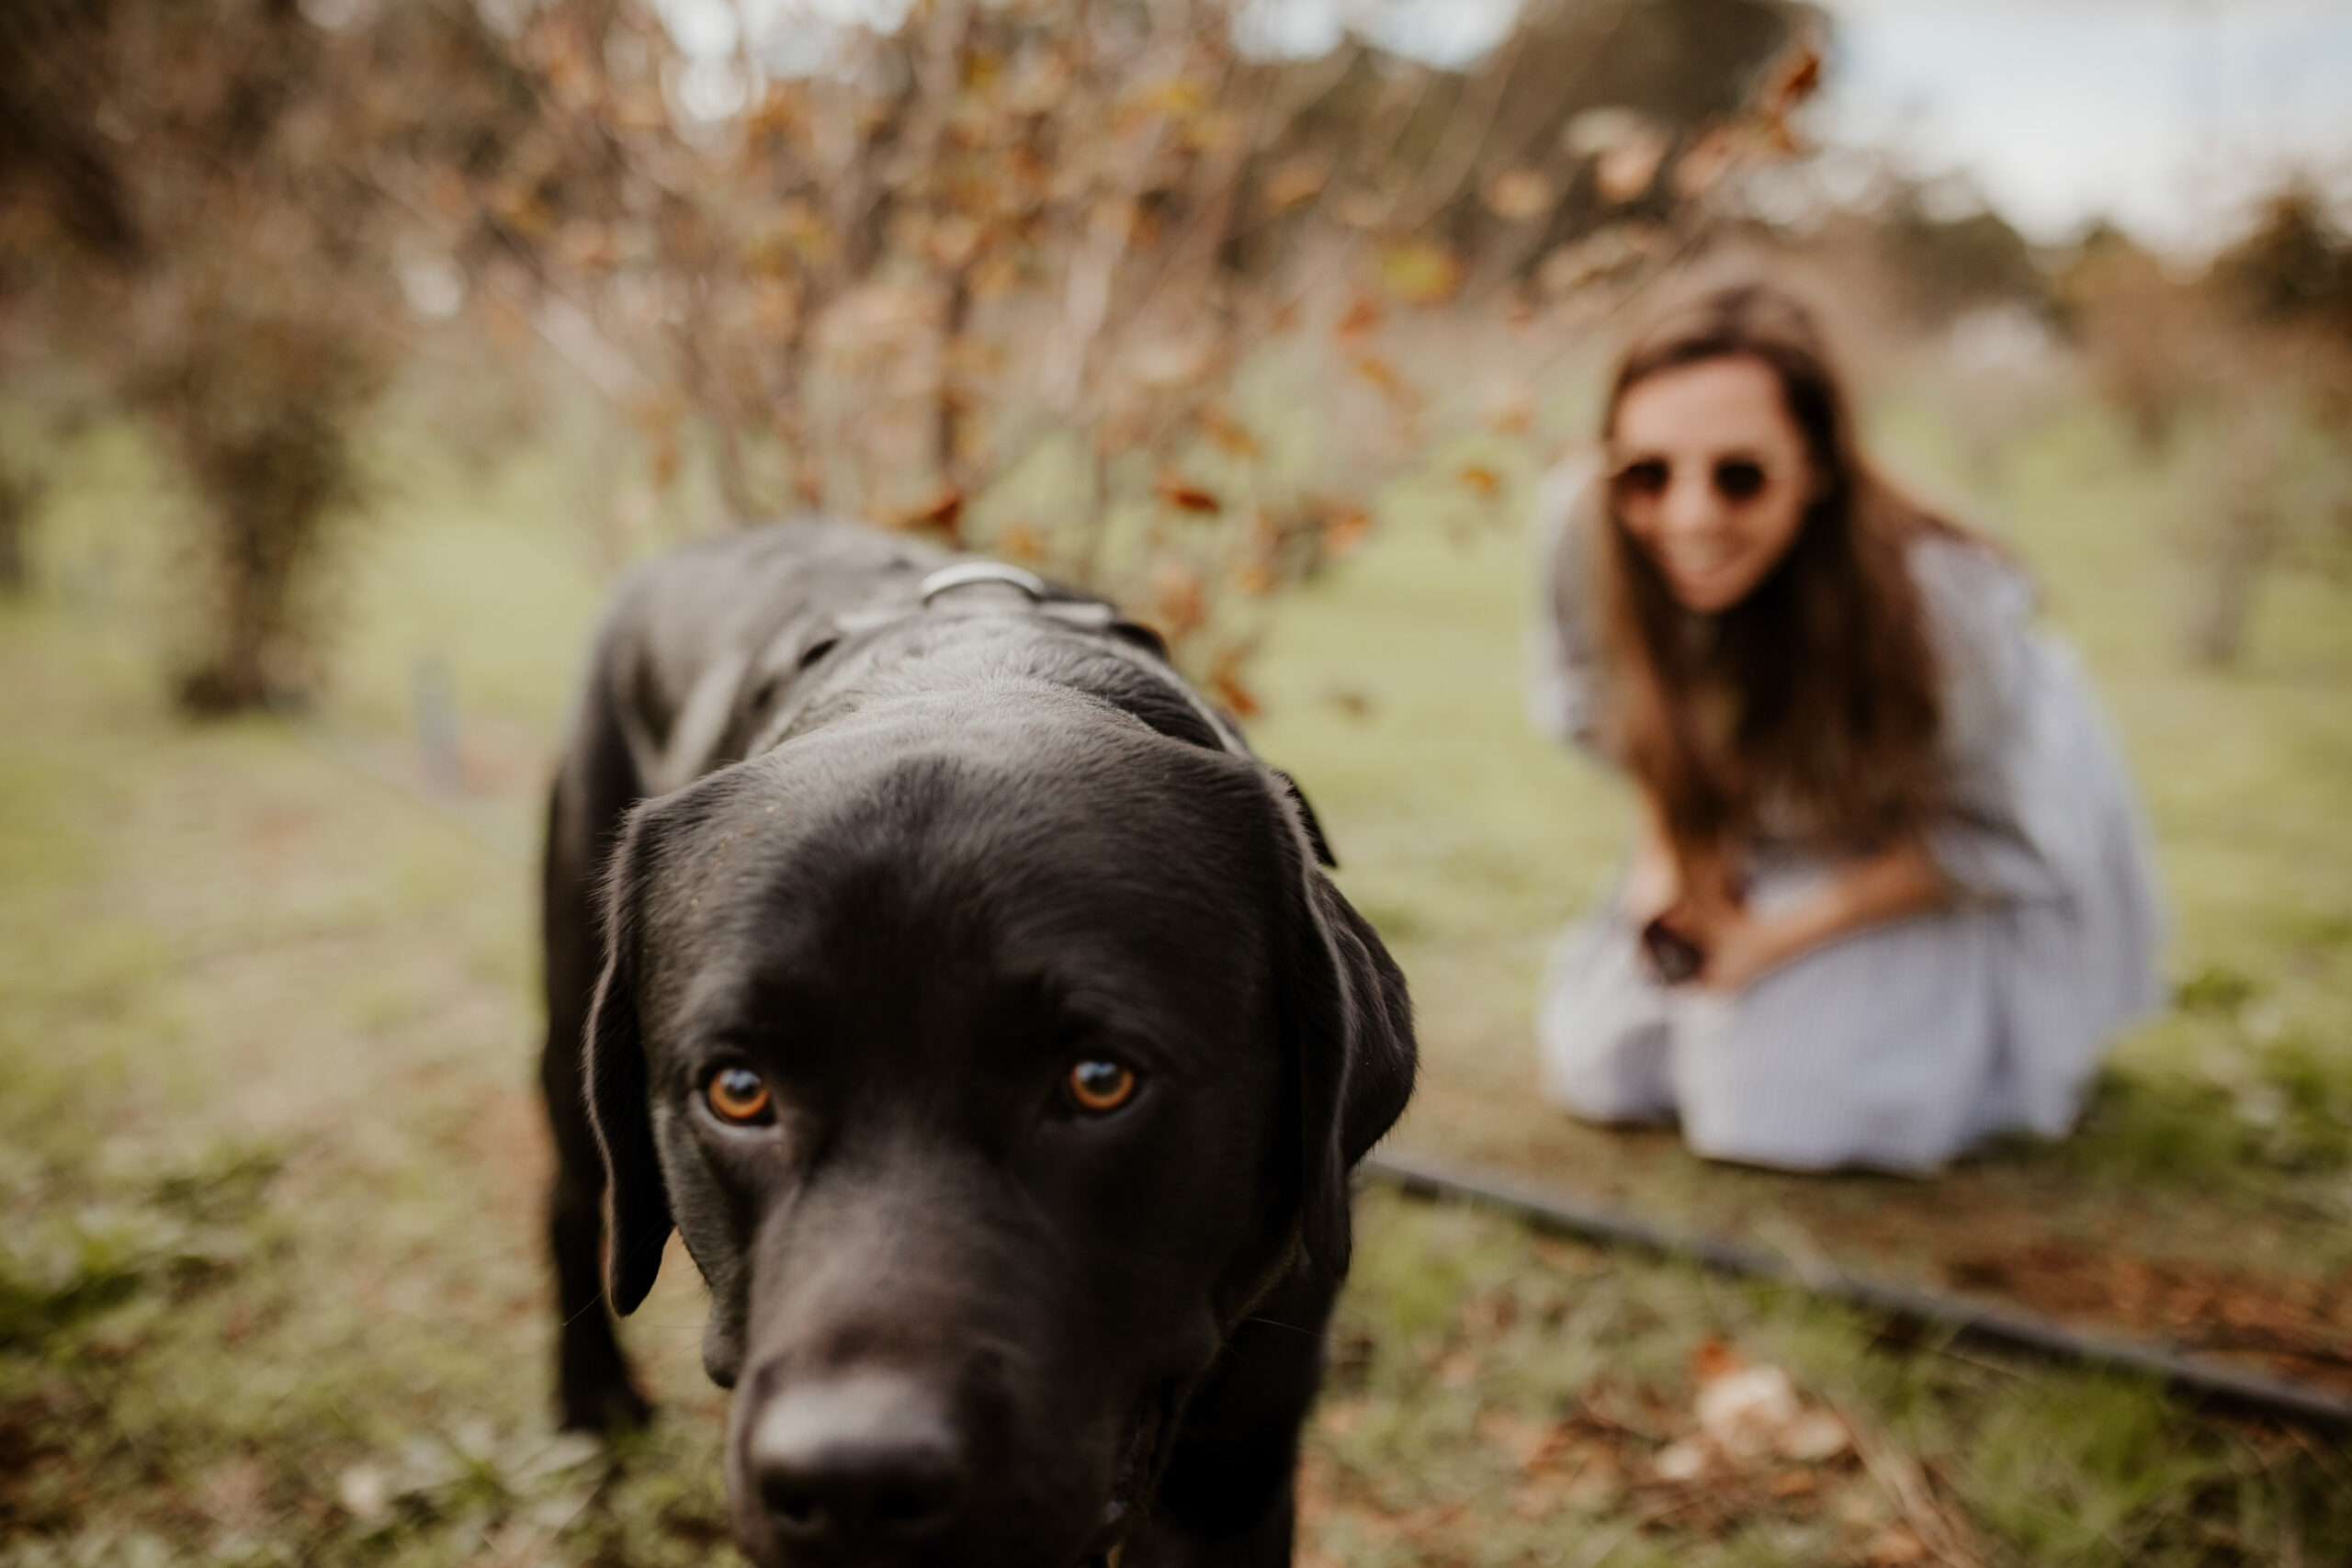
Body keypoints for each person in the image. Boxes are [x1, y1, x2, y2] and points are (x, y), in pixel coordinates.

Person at [1528, 281, 2161, 1173]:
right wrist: (1667, 860)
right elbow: (1616, 717)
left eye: (1739, 475)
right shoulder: (1582, 522)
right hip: (1760, 831)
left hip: (1935, 856)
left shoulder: (1942, 602)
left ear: (1817, 466)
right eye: (1646, 473)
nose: (1688, 515)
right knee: (1602, 1071)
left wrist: (1771, 941)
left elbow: (1995, 838)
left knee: (1772, 1116)